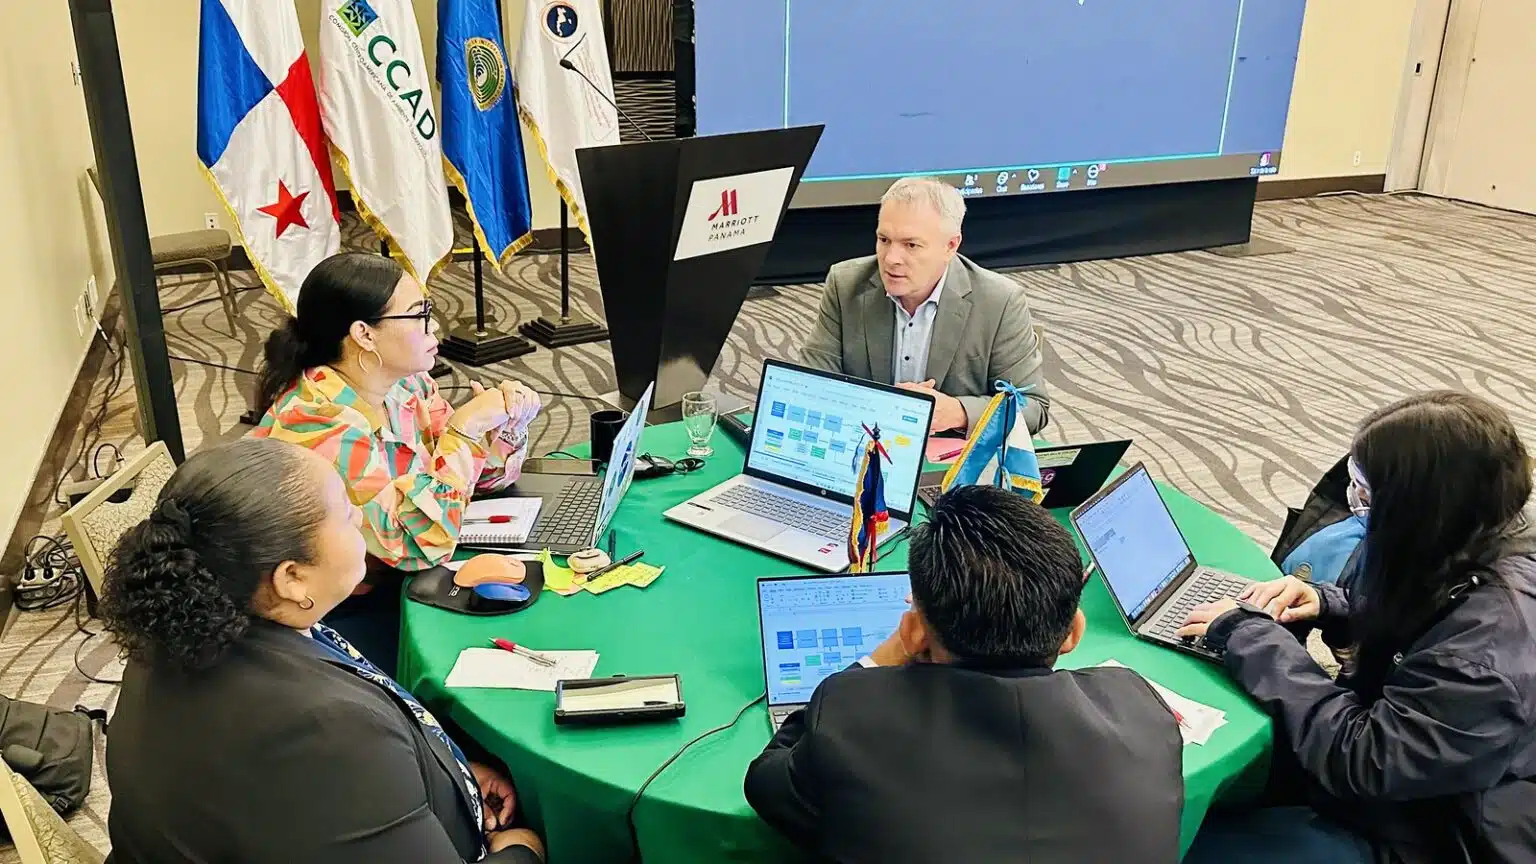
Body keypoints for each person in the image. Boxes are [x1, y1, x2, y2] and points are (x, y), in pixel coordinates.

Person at [101, 437, 545, 863]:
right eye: (347, 514)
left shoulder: (171, 630)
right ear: (292, 578)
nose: (361, 517)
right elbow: (333, 767)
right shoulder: (327, 730)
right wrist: (523, 849)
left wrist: (446, 773)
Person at [1178, 391, 1536, 864]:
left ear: (1419, 511)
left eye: (1365, 496)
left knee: (1177, 845)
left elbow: (1362, 759)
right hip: (1416, 782)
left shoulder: (1483, 657)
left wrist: (1252, 637)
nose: (1352, 505)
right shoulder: (1483, 535)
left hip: (1432, 832)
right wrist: (1331, 604)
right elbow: (1436, 624)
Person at [743, 484, 1184, 863]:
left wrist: (881, 659)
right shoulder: (1141, 710)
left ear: (914, 633)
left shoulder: (850, 717)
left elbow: (767, 781)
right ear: (1074, 632)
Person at [252, 252, 541, 666]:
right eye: (419, 315)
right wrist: (465, 431)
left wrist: (506, 425)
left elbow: (475, 481)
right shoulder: (320, 424)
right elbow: (418, 546)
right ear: (364, 335)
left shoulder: (406, 385)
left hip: (393, 576)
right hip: (325, 612)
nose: (433, 327)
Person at [799, 177, 1050, 436]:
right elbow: (810, 383)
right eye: (884, 240)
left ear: (950, 246)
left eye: (911, 245)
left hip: (951, 452)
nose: (891, 259)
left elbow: (1032, 407)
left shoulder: (999, 301)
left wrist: (958, 412)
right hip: (865, 443)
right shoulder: (845, 284)